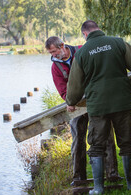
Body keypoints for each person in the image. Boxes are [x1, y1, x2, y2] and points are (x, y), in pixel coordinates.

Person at [66, 20, 131, 194]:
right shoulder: (118, 43)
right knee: (127, 142)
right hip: (121, 102)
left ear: (85, 34)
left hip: (98, 106)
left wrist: (71, 101)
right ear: (99, 29)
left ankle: (98, 188)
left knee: (97, 145)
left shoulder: (82, 53)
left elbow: (75, 86)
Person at [45, 36, 121, 186]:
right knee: (78, 139)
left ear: (62, 46)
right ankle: (78, 177)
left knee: (106, 136)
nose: (53, 55)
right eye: (50, 53)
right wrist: (69, 100)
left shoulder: (83, 50)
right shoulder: (56, 67)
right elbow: (61, 88)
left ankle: (112, 173)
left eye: (54, 51)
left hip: (98, 101)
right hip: (77, 106)